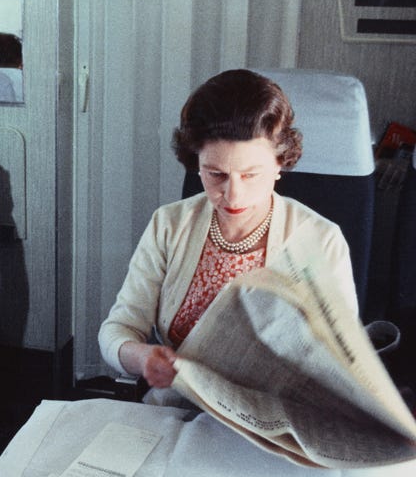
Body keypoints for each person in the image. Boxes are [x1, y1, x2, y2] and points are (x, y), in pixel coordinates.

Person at [99, 69, 358, 390]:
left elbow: (343, 361)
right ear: (196, 163)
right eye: (216, 174)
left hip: (274, 423)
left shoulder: (322, 240)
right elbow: (118, 329)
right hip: (178, 408)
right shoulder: (169, 225)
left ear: (280, 163)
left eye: (251, 175)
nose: (234, 195)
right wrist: (142, 358)